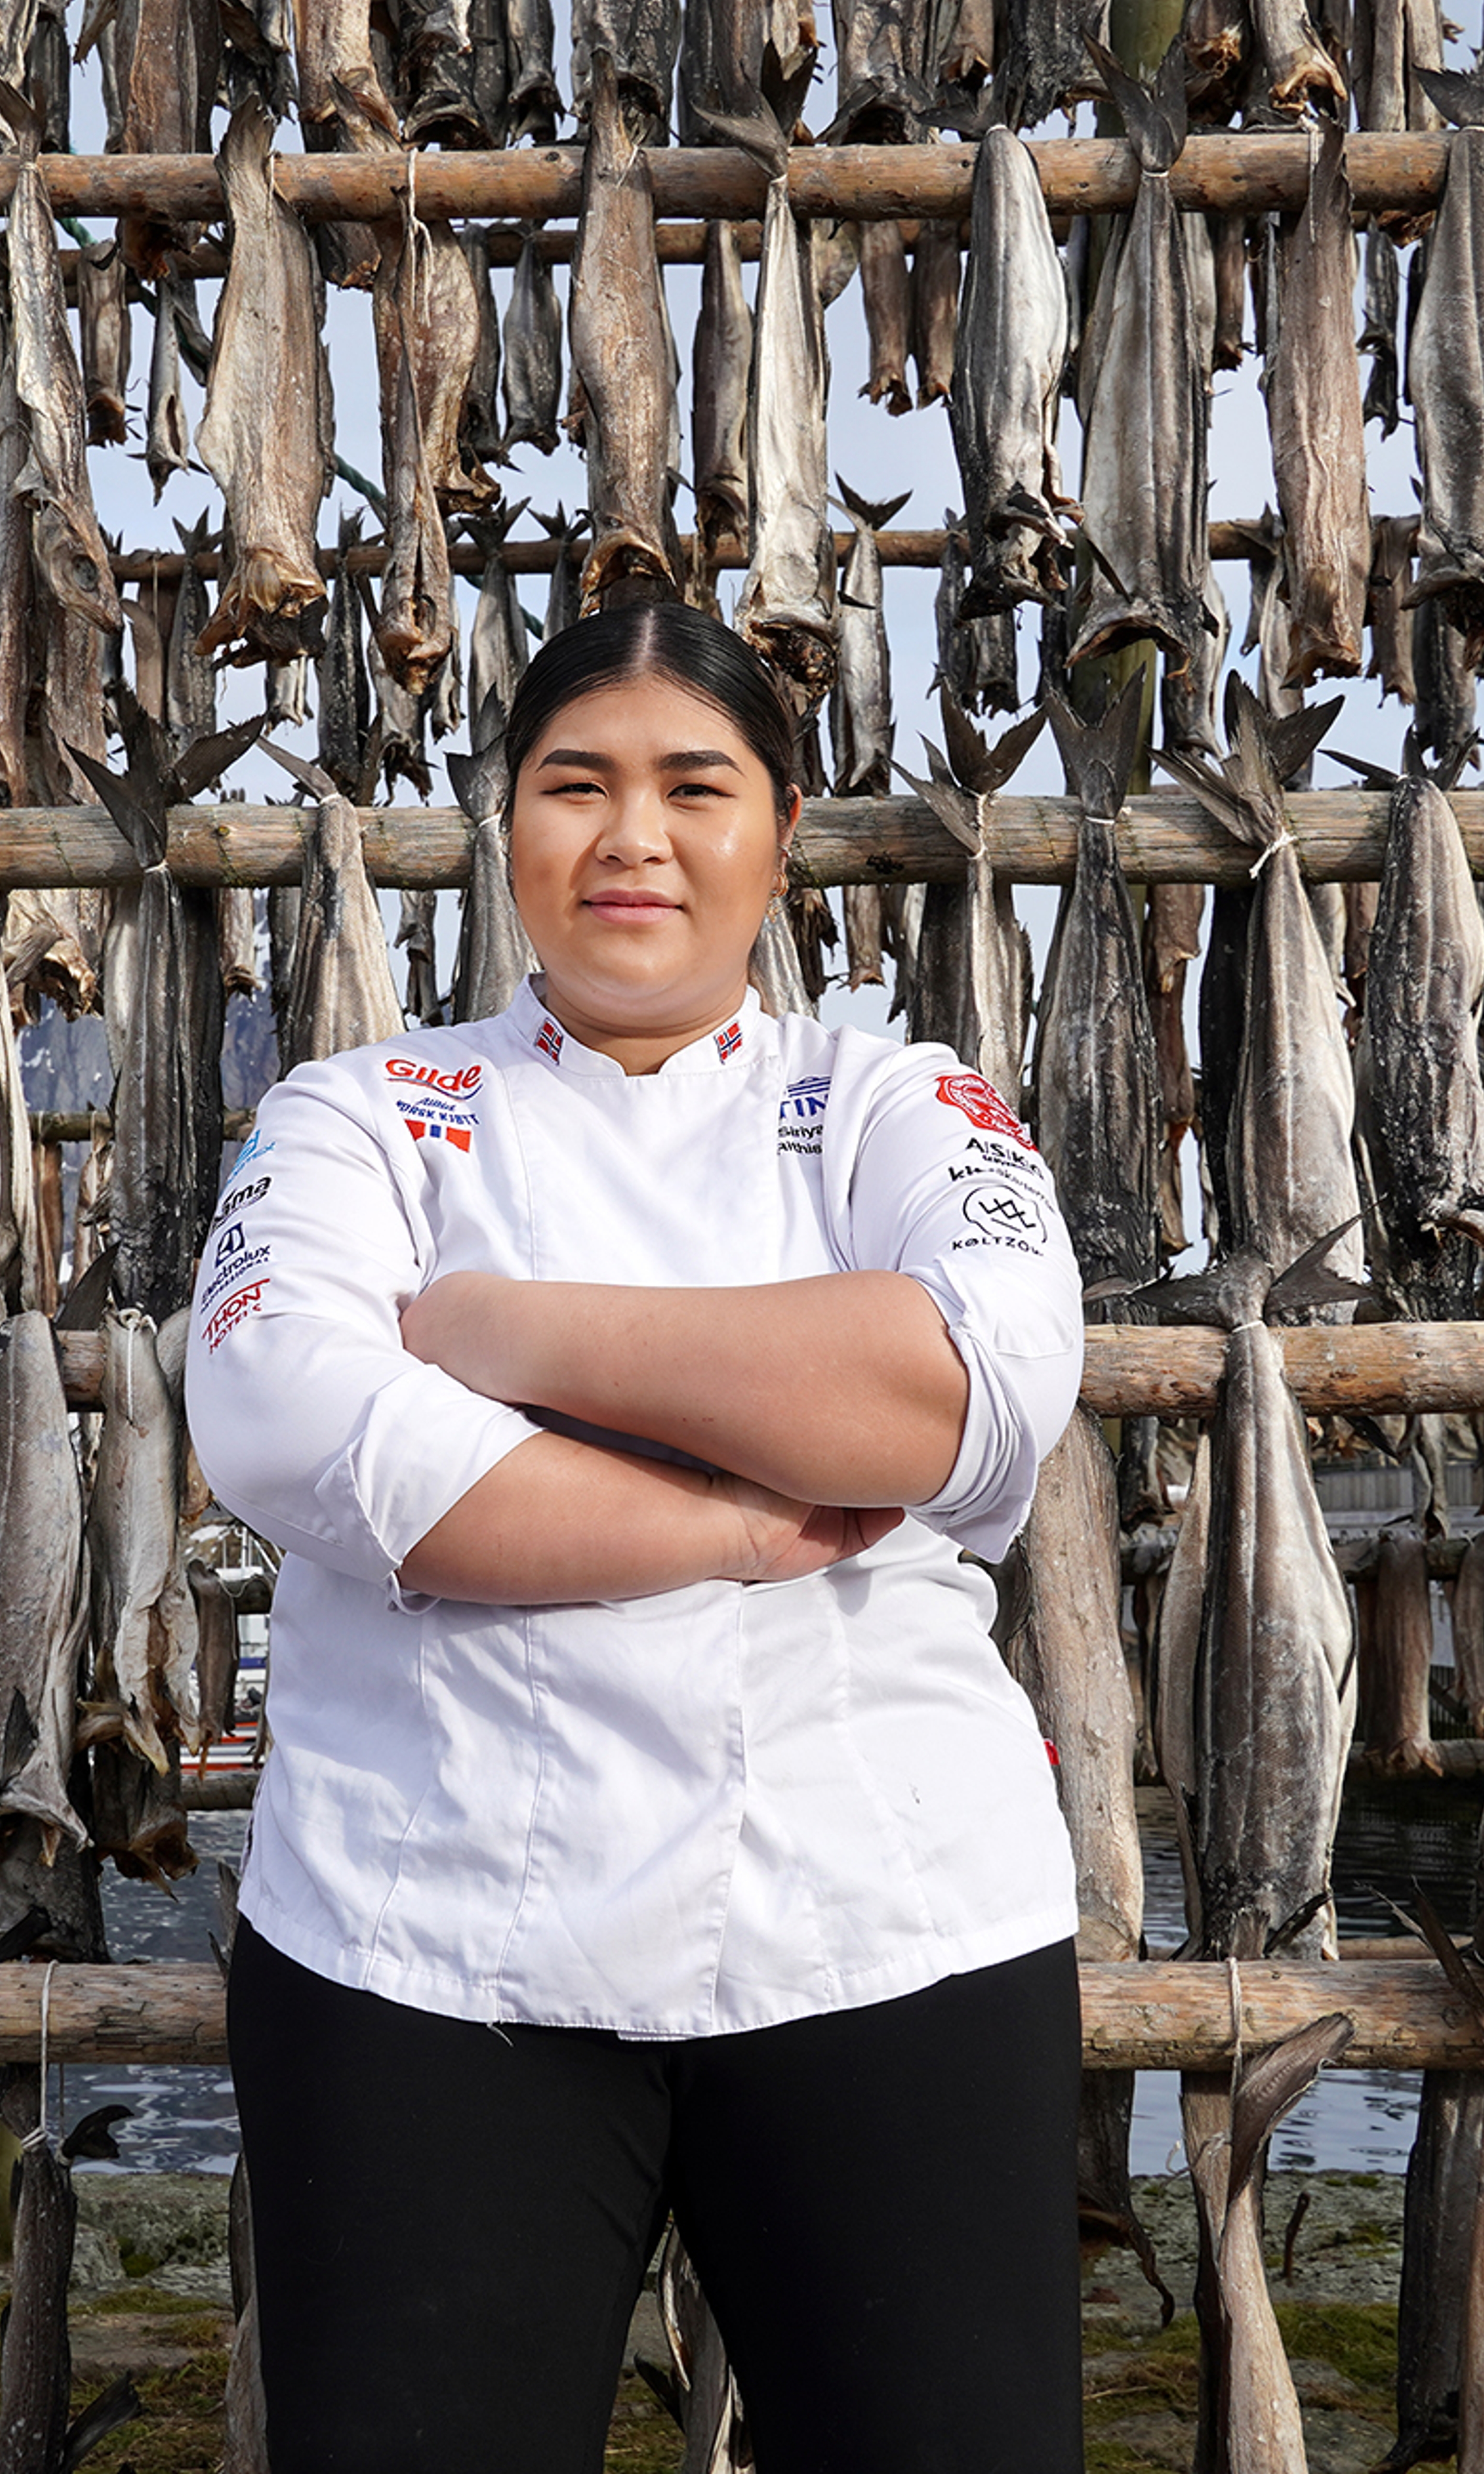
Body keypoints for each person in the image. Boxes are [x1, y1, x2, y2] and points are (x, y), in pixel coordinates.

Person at [186, 602, 1087, 2474]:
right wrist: (748, 1526)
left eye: (698, 786)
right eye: (573, 785)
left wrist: (521, 1334)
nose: (633, 840)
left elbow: (966, 1389)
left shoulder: (901, 1101)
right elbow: (292, 1419)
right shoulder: (353, 1115)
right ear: (503, 822)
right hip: (423, 1946)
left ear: (785, 833)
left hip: (887, 1926)